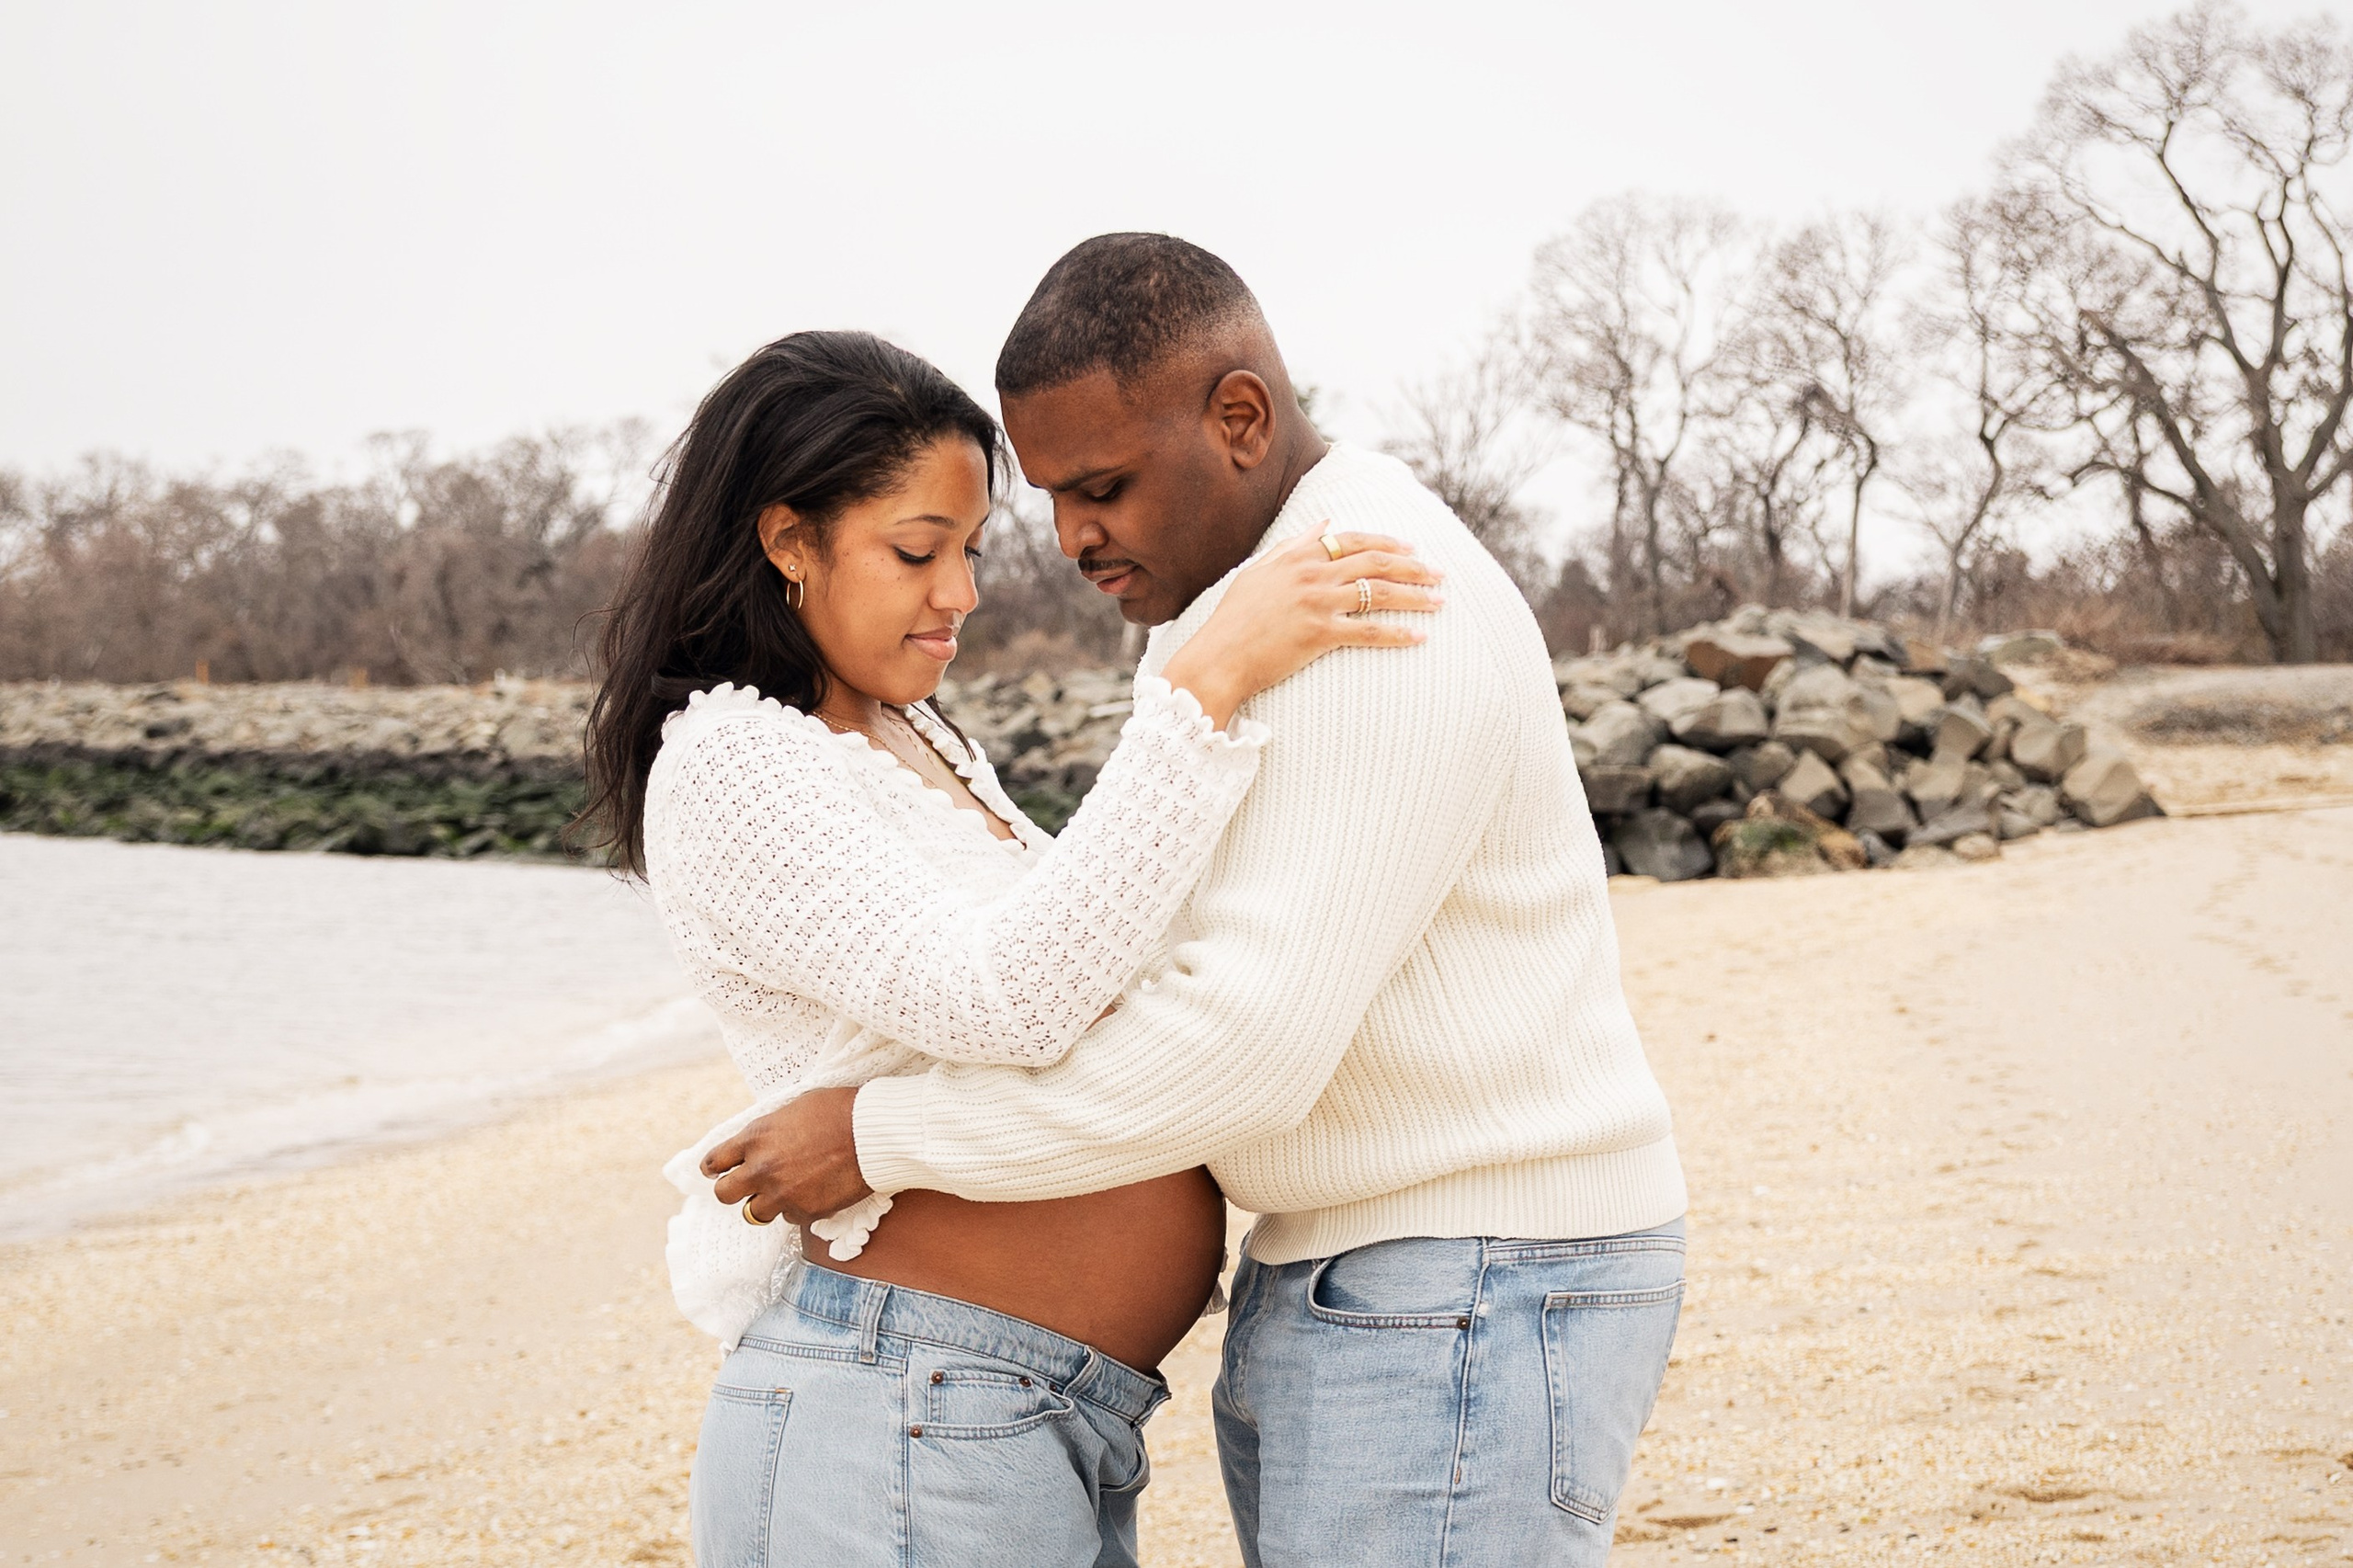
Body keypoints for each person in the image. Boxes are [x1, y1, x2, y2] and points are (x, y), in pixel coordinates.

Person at [708, 234, 1690, 1568]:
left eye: (1101, 487)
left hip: (1467, 1273)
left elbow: (1242, 1049)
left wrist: (884, 1134)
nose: (1070, 542)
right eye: (1048, 498)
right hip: (1370, 1274)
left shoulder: (1368, 600)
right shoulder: (1231, 614)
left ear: (1240, 418)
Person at [576, 326, 1442, 1568]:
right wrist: (1197, 684)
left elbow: (1096, 957)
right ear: (787, 540)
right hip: (905, 1404)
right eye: (917, 551)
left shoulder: (916, 736)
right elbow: (1006, 998)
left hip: (1003, 1411)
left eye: (971, 550)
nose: (960, 595)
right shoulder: (733, 762)